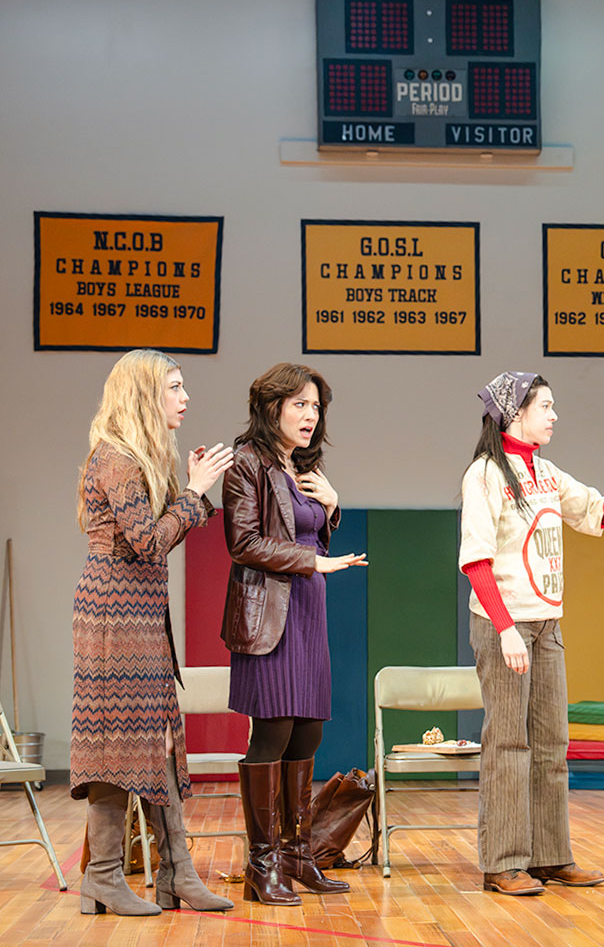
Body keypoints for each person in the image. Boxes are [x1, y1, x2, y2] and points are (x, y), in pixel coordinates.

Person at [459, 371, 604, 897]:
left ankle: (550, 856)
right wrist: (505, 629)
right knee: (508, 743)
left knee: (552, 742)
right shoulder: (485, 474)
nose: (554, 416)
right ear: (515, 413)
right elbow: (476, 561)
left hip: (548, 625)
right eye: (545, 406)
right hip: (502, 624)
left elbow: (595, 513)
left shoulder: (548, 472)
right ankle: (504, 863)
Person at [69, 349, 236, 916]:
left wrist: (183, 491)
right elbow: (147, 542)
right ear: (144, 394)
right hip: (113, 614)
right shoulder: (115, 459)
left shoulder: (136, 458)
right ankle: (105, 876)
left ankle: (176, 874)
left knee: (160, 737)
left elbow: (158, 536)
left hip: (137, 610)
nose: (185, 397)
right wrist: (193, 493)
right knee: (117, 744)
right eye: (175, 387)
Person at [220, 362, 366, 906]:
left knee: (309, 734)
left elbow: (313, 539)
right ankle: (262, 868)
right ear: (272, 406)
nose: (311, 415)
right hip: (268, 615)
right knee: (273, 733)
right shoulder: (247, 464)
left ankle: (297, 855)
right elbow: (244, 543)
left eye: (316, 406)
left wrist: (331, 505)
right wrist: (313, 561)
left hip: (306, 610)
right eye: (300, 404)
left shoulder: (299, 467)